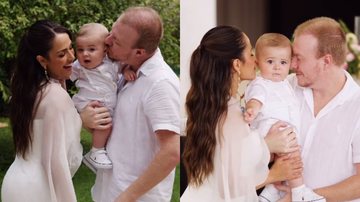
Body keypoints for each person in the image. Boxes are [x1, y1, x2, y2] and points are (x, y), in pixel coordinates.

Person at [180, 25, 303, 202]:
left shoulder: (213, 106)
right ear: (237, 64)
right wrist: (273, 171)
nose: (256, 60)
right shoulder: (231, 114)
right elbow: (227, 185)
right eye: (251, 54)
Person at [80, 6, 180, 202]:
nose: (106, 41)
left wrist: (125, 198)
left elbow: (171, 152)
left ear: (139, 52)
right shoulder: (123, 72)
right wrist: (87, 121)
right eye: (111, 33)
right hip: (108, 191)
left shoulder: (161, 84)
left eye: (115, 41)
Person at [1, 20, 82, 202]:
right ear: (42, 60)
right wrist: (81, 120)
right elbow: (65, 160)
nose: (72, 57)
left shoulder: (25, 89)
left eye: (71, 48)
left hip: (15, 183)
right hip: (39, 188)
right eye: (62, 54)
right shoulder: (54, 95)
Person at [284, 17, 360, 201]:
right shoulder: (286, 87)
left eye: (299, 58)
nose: (292, 65)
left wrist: (303, 198)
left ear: (326, 61)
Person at [244, 33, 325, 202]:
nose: (277, 67)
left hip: (282, 131)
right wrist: (252, 108)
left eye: (283, 62)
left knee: (288, 158)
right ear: (258, 63)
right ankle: (299, 192)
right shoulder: (261, 83)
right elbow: (256, 98)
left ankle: (271, 190)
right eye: (270, 62)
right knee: (292, 157)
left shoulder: (284, 83)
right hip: (271, 129)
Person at [71, 22, 136, 172]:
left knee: (107, 128)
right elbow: (65, 74)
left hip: (105, 104)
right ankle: (96, 151)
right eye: (80, 50)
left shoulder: (111, 64)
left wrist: (126, 72)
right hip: (90, 104)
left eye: (92, 49)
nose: (85, 54)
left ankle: (101, 151)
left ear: (105, 50)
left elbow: (124, 67)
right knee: (105, 125)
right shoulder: (78, 67)